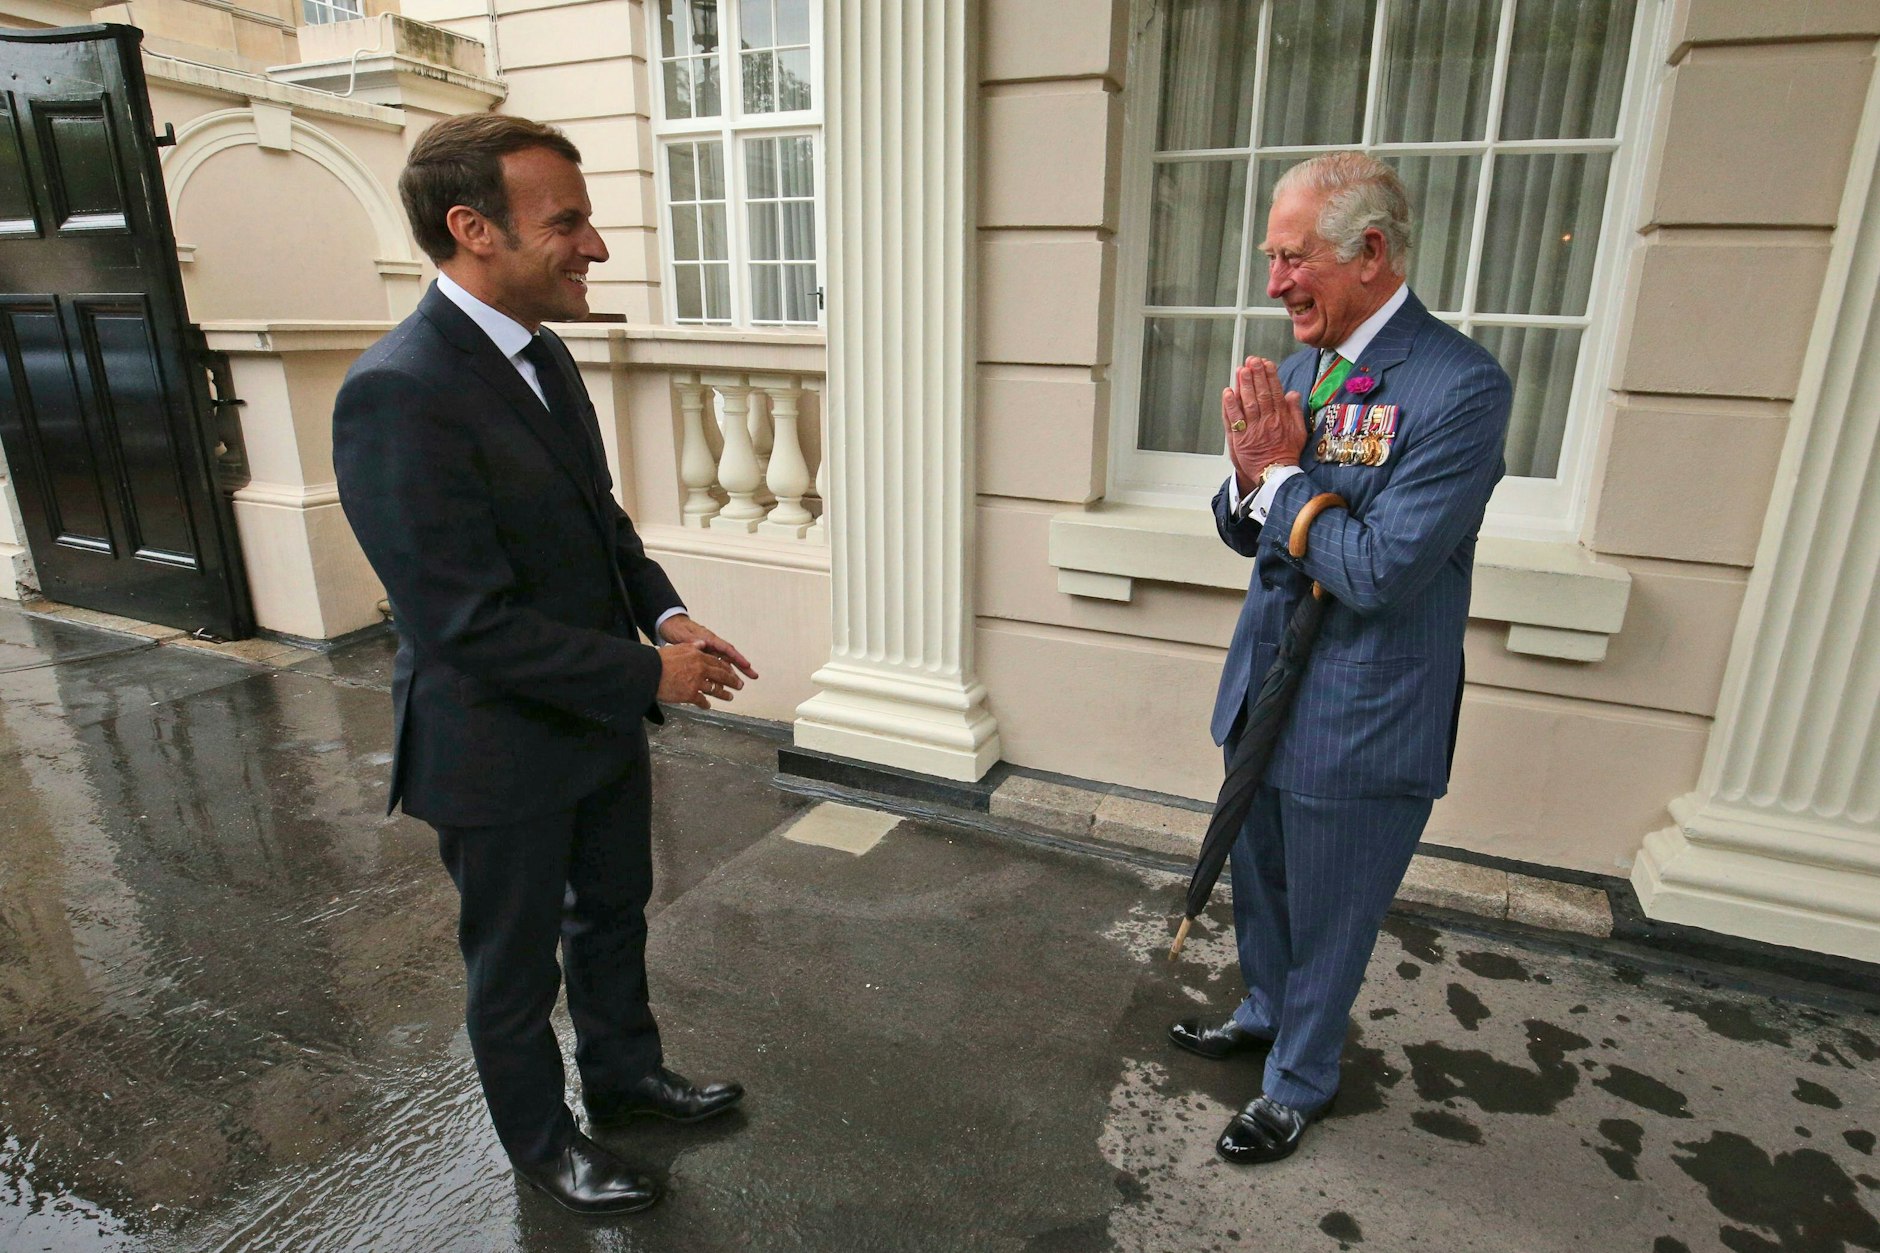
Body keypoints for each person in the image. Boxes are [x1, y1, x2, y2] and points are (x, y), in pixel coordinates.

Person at [333, 113, 758, 1215]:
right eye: (565, 221)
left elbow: (600, 522)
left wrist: (664, 617)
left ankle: (622, 1079)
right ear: (471, 228)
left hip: (594, 719)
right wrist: (645, 677)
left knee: (612, 913)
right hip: (493, 747)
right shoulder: (396, 389)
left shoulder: (543, 354)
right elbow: (461, 621)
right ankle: (543, 1143)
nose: (595, 246)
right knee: (512, 971)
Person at [1169, 153, 1511, 1165]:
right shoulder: (1310, 363)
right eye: (1270, 257)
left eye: (1291, 257)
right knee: (1263, 882)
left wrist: (1276, 476)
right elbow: (1255, 528)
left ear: (1367, 253)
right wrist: (1245, 484)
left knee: (1330, 912)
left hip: (1361, 713)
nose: (1273, 282)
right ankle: (1265, 1011)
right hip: (1265, 692)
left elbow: (1376, 570)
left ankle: (1299, 1079)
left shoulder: (1459, 386)